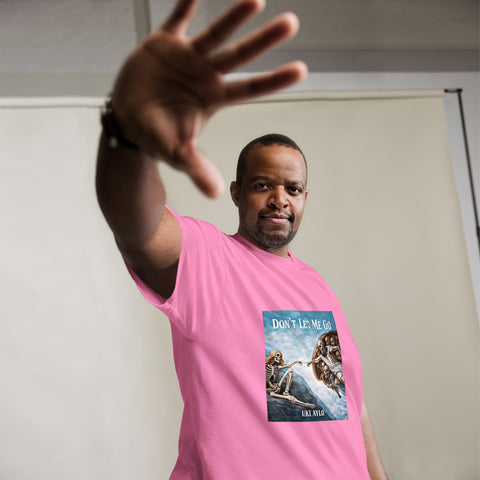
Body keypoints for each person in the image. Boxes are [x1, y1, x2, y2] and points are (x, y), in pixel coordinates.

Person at [95, 0, 388, 478]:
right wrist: (129, 136)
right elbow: (137, 227)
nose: (279, 199)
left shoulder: (317, 286)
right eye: (262, 185)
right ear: (237, 193)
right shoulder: (209, 259)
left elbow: (353, 407)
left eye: (293, 189)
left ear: (305, 198)